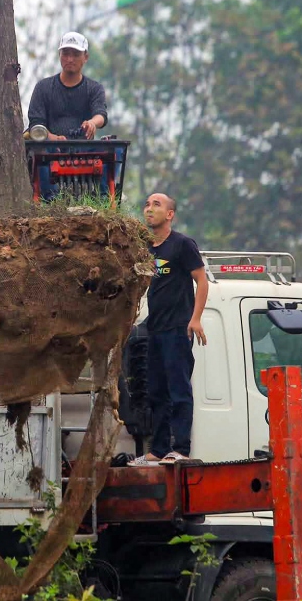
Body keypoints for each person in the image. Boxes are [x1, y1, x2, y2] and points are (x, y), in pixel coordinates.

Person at [129, 192, 208, 466]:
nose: (149, 209)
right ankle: (158, 449)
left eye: (156, 205)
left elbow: (202, 280)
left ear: (170, 214)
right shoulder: (148, 249)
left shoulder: (183, 245)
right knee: (156, 393)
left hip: (178, 328)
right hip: (155, 329)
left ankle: (181, 449)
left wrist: (195, 319)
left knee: (179, 390)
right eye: (147, 204)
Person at [26, 32, 108, 140]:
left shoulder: (94, 88)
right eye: (65, 54)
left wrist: (92, 123)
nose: (70, 59)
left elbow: (101, 114)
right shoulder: (43, 87)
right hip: (46, 152)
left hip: (86, 153)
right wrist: (53, 139)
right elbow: (36, 125)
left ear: (86, 57)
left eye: (76, 54)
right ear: (59, 55)